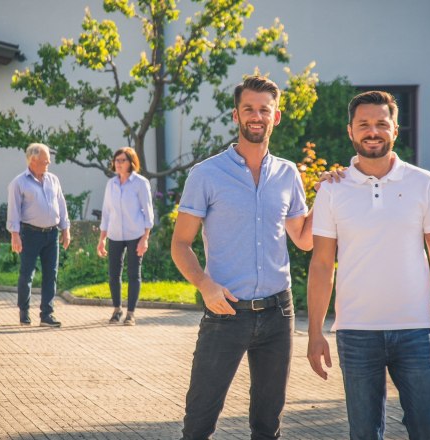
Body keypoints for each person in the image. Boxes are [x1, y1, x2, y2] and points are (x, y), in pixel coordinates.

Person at [306, 91, 430, 439]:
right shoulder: (333, 189)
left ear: (395, 128)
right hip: (356, 332)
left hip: (415, 329)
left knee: (428, 428)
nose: (372, 131)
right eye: (364, 124)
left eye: (381, 123)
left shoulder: (423, 182)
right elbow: (321, 265)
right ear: (350, 130)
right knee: (364, 432)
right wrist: (315, 332)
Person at [171, 75, 313, 440]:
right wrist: (205, 285)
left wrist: (332, 195)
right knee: (199, 422)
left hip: (278, 312)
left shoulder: (288, 174)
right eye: (248, 108)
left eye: (264, 110)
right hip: (226, 311)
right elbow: (180, 244)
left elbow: (303, 239)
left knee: (268, 425)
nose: (256, 116)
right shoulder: (206, 174)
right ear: (236, 115)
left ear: (275, 116)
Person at [7, 143, 71, 327]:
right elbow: (13, 211)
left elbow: (61, 205)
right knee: (27, 274)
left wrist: (65, 229)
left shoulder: (53, 180)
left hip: (52, 234)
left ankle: (47, 315)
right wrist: (15, 235)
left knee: (51, 274)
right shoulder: (19, 183)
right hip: (30, 234)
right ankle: (24, 311)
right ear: (33, 161)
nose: (48, 164)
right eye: (45, 161)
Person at [96, 147, 154, 326]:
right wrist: (102, 239)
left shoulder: (140, 183)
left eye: (123, 160)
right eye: (117, 160)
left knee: (133, 274)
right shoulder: (111, 184)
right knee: (114, 274)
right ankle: (117, 310)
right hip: (114, 234)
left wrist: (145, 238)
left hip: (135, 234)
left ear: (131, 162)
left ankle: (130, 313)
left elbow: (148, 212)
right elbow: (106, 212)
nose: (119, 164)